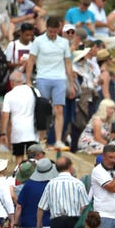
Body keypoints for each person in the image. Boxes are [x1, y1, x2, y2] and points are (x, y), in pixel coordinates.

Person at [25, 16, 75, 149]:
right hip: (43, 77)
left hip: (59, 78)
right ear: (47, 28)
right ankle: (42, 138)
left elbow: (68, 63)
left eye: (54, 31)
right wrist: (28, 79)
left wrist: (72, 83)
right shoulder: (38, 41)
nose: (52, 34)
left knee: (59, 109)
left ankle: (58, 139)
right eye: (50, 31)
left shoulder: (64, 43)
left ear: (58, 29)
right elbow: (31, 60)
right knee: (42, 109)